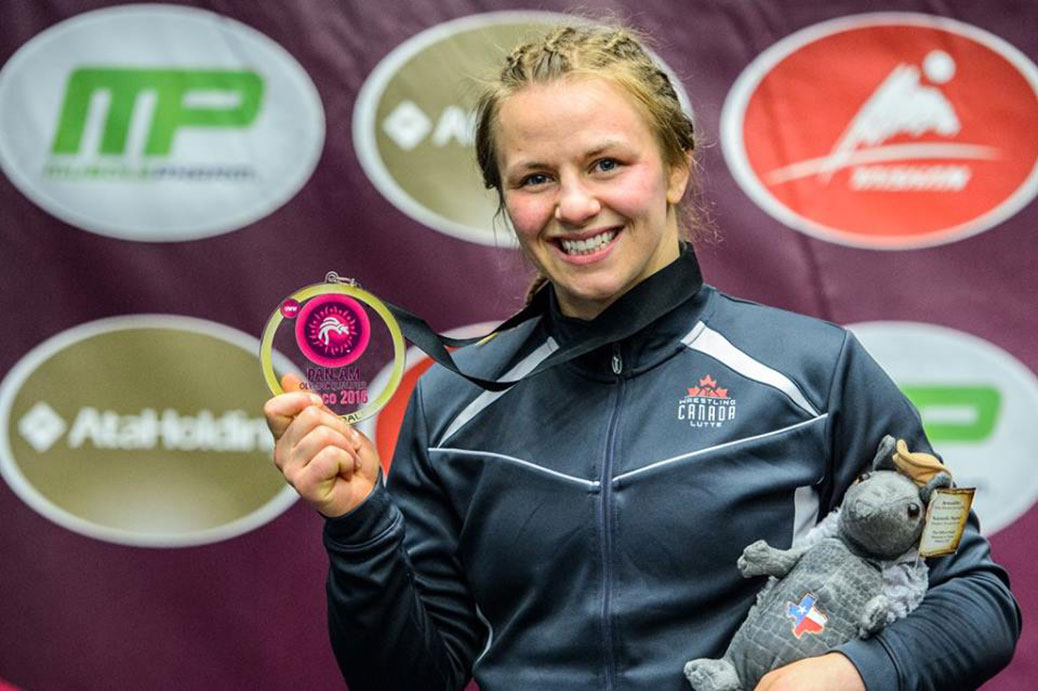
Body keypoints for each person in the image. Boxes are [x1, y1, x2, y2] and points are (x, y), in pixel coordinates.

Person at [264, 23, 1020, 691]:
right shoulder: (452, 403)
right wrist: (359, 523)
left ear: (676, 166)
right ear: (504, 198)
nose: (574, 205)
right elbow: (408, 677)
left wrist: (857, 672)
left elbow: (976, 595)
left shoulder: (817, 373)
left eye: (605, 164)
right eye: (535, 178)